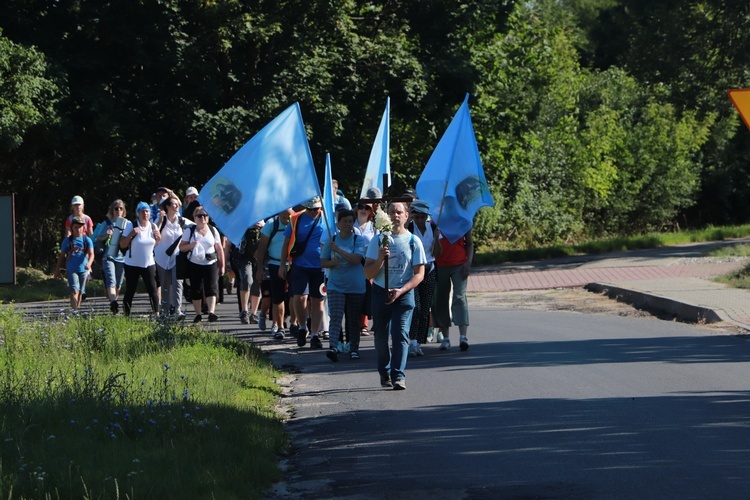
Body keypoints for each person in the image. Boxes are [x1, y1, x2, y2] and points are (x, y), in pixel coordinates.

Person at [364, 202, 426, 390]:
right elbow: (368, 273)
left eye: (399, 212)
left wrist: (401, 290)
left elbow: (419, 274)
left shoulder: (414, 241)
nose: (395, 215)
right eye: (392, 212)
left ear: (407, 216)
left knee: (400, 333)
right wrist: (381, 259)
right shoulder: (378, 241)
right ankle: (385, 372)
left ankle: (398, 375)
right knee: (381, 336)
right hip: (380, 292)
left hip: (403, 294)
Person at [279, 197, 325, 348]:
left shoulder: (327, 219)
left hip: (320, 267)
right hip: (299, 265)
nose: (314, 211)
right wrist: (282, 265)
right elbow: (286, 243)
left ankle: (314, 334)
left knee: (318, 301)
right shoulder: (296, 219)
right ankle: (302, 327)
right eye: (311, 209)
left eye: (316, 208)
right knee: (299, 298)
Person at [321, 209, 367, 361]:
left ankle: (354, 348)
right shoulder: (331, 240)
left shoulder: (358, 240)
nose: (347, 224)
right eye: (344, 221)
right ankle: (334, 346)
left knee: (353, 319)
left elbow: (356, 259)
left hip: (356, 286)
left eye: (350, 221)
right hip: (336, 285)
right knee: (335, 316)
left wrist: (339, 251)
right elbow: (322, 261)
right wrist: (330, 263)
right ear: (338, 223)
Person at [405, 199, 440, 356]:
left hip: (430, 269)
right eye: (417, 216)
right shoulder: (410, 228)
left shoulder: (432, 228)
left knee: (425, 308)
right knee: (416, 307)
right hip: (414, 271)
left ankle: (419, 341)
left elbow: (438, 253)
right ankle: (412, 341)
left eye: (422, 217)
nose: (420, 220)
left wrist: (437, 238)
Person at [179, 206, 224, 322]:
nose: (202, 218)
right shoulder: (189, 231)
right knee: (196, 289)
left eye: (205, 215)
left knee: (212, 287)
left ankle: (211, 312)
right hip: (195, 263)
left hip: (211, 262)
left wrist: (222, 264)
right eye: (199, 216)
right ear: (194, 218)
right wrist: (191, 245)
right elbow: (181, 248)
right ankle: (198, 314)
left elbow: (219, 248)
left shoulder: (213, 230)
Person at [434, 227, 474, 351]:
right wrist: (435, 236)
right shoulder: (436, 221)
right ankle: (446, 338)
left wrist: (468, 263)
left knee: (459, 297)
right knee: (441, 299)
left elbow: (470, 244)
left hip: (459, 264)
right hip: (440, 265)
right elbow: (432, 248)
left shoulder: (463, 222)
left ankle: (463, 336)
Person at [255, 209, 292, 340]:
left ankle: (295, 324)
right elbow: (261, 249)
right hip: (274, 263)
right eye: (285, 214)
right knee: (277, 296)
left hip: (293, 264)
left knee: (295, 296)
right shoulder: (271, 224)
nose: (287, 217)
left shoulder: (296, 222)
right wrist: (259, 269)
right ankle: (279, 326)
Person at [154, 195, 193, 320]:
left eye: (177, 204)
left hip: (177, 257)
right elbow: (154, 231)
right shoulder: (161, 220)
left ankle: (177, 310)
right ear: (167, 207)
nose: (176, 206)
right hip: (162, 257)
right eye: (173, 204)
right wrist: (160, 219)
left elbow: (195, 227)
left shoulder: (182, 221)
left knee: (178, 283)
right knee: (165, 284)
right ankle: (165, 311)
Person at [120, 202, 161, 316]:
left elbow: (153, 245)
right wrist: (131, 234)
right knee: (130, 290)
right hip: (132, 263)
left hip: (149, 263)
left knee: (153, 290)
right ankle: (126, 315)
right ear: (138, 213)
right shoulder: (131, 225)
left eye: (147, 211)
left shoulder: (153, 226)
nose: (145, 213)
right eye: (142, 211)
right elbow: (122, 244)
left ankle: (157, 314)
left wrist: (158, 239)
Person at [54, 216, 94, 312]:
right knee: (74, 290)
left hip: (84, 269)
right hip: (71, 269)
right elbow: (61, 256)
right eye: (76, 227)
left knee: (80, 291)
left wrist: (89, 264)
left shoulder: (87, 240)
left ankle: (77, 309)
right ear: (72, 228)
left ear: (83, 228)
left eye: (80, 227)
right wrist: (57, 270)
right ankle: (74, 310)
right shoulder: (68, 241)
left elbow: (92, 254)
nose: (78, 229)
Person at [93, 200, 127, 314]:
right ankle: (113, 302)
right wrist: (107, 235)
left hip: (121, 257)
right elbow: (98, 238)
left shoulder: (127, 223)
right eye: (116, 208)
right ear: (112, 210)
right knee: (111, 280)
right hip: (108, 256)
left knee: (118, 284)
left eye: (120, 208)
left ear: (123, 211)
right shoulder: (106, 223)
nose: (118, 210)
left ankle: (114, 304)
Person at [354, 194, 378, 337]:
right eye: (361, 206)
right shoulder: (351, 224)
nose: (363, 210)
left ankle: (364, 324)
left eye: (367, 207)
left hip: (369, 262)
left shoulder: (374, 227)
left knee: (367, 292)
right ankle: (354, 322)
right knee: (355, 292)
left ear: (371, 211)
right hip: (354, 262)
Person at [230, 222, 262, 324]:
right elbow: (232, 235)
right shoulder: (243, 219)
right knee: (247, 279)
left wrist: (261, 225)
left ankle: (254, 313)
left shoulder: (263, 218)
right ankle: (244, 311)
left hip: (258, 257)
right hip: (244, 256)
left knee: (257, 283)